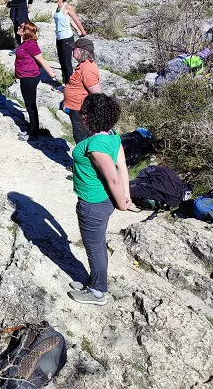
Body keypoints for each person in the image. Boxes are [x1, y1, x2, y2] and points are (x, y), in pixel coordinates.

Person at [68, 93, 132, 306]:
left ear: (91, 116)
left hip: (92, 203)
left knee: (94, 247)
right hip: (102, 202)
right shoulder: (112, 136)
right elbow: (122, 167)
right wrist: (126, 195)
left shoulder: (96, 145)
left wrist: (123, 203)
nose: (81, 115)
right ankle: (95, 281)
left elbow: (113, 178)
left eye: (84, 112)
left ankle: (96, 292)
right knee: (98, 244)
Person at [15, 22, 58, 142]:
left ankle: (33, 133)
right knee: (29, 104)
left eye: (21, 27)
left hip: (29, 77)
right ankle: (32, 129)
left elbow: (42, 61)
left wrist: (52, 75)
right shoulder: (25, 43)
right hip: (25, 77)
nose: (18, 27)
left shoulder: (31, 45)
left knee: (31, 105)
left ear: (26, 31)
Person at [63, 37, 101, 144]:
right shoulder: (82, 65)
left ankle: (85, 160)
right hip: (76, 109)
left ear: (81, 51)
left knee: (82, 140)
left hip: (81, 112)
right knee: (79, 137)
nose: (72, 51)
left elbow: (97, 94)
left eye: (74, 49)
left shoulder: (88, 69)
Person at [51, 0, 87, 86]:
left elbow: (75, 20)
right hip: (59, 37)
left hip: (66, 37)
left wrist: (82, 31)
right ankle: (65, 84)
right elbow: (69, 20)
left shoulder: (67, 7)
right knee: (62, 61)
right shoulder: (58, 7)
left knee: (67, 63)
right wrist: (77, 29)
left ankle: (71, 86)